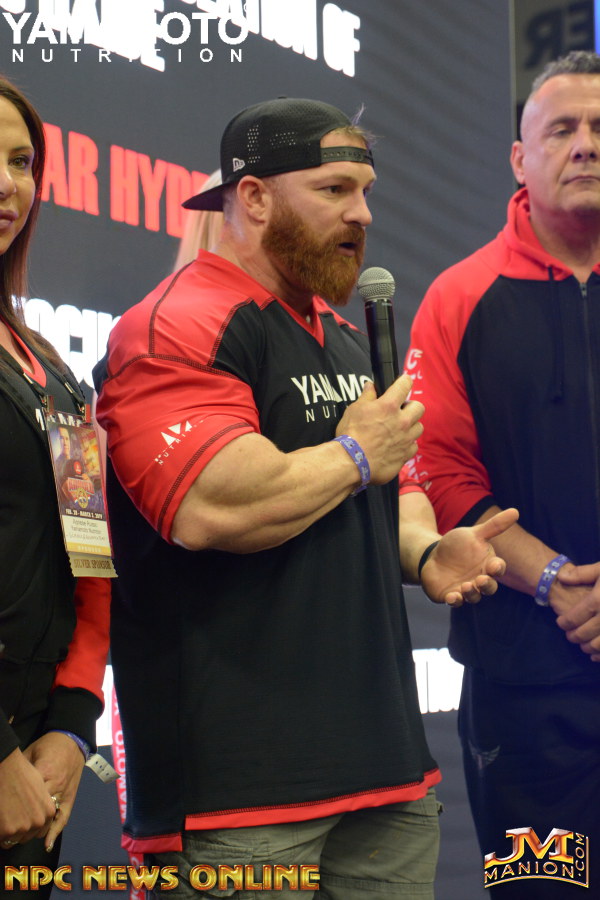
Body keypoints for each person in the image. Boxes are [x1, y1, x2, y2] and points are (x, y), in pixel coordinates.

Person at [95, 97, 516, 899]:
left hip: (386, 778)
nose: (363, 214)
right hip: (239, 795)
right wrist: (355, 454)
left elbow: (395, 490)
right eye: (334, 190)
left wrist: (428, 551)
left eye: (366, 192)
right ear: (254, 197)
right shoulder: (178, 324)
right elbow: (211, 503)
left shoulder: (344, 335)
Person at [405, 50, 600, 898]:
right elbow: (441, 470)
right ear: (521, 159)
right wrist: (557, 583)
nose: (585, 145)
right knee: (541, 892)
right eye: (562, 130)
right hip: (522, 697)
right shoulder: (460, 296)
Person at [0, 75, 110, 890]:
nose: (7, 184)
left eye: (20, 161)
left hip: (39, 765)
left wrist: (71, 725)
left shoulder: (48, 366)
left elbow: (91, 554)